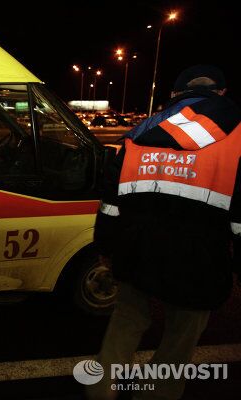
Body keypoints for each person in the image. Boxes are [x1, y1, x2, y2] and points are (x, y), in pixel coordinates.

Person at [87, 64, 241, 400]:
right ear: (221, 93)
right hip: (199, 260)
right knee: (181, 336)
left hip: (136, 250)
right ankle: (158, 393)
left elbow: (111, 203)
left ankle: (102, 390)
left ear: (173, 95)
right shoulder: (237, 136)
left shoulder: (139, 133)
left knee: (126, 321)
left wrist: (106, 249)